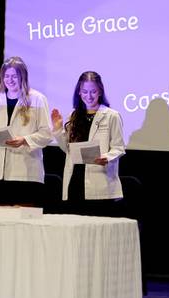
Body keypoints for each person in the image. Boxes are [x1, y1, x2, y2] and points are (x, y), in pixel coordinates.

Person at [0, 56, 52, 206]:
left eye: (14, 76)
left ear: (23, 77)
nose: (10, 80)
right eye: (6, 76)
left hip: (24, 172)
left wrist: (25, 140)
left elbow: (46, 134)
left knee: (23, 216)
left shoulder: (37, 99)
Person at [51, 71, 125, 216]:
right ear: (79, 92)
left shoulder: (112, 116)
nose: (89, 96)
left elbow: (119, 148)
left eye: (93, 91)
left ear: (100, 91)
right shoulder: (73, 116)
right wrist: (58, 129)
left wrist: (106, 157)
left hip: (100, 183)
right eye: (85, 92)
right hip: (75, 182)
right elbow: (68, 149)